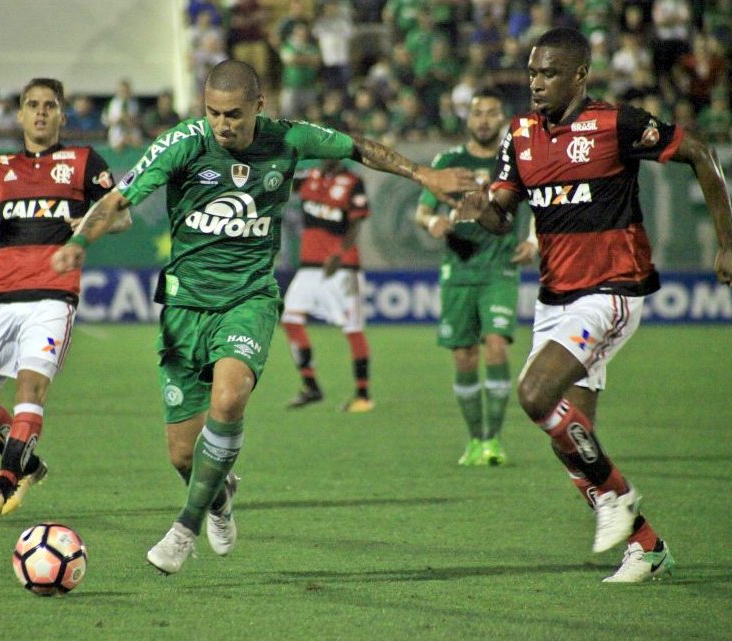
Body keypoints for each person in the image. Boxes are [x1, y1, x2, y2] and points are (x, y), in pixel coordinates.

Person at [51, 60, 477, 575]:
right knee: (184, 457)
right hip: (185, 308)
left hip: (249, 297)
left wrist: (422, 173)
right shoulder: (183, 143)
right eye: (212, 113)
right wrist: (79, 242)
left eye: (233, 114)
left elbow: (358, 146)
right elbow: (119, 197)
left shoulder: (288, 139)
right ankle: (219, 498)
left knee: (229, 400)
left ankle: (183, 530)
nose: (222, 124)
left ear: (259, 106)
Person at [456, 28, 732, 583]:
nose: (535, 83)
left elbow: (698, 152)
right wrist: (480, 209)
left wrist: (729, 239)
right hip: (555, 299)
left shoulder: (615, 124)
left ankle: (618, 496)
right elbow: (501, 212)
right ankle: (648, 546)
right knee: (570, 438)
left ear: (579, 76)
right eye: (531, 72)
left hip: (612, 290)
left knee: (535, 394)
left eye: (548, 73)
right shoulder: (519, 135)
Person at [0, 78, 129, 525]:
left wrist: (90, 221)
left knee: (31, 388)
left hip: (53, 296)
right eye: (32, 105)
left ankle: (6, 483)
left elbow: (122, 215)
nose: (40, 113)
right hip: (1, 297)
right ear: (19, 115)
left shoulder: (84, 161)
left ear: (62, 115)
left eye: (49, 106)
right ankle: (30, 462)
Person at [415, 88, 537, 467]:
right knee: (465, 357)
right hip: (459, 270)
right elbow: (422, 211)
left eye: (490, 113)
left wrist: (533, 240)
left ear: (501, 118)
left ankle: (494, 439)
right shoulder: (449, 161)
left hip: (499, 268)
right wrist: (433, 220)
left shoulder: (515, 159)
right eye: (477, 113)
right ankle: (474, 439)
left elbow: (540, 203)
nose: (483, 119)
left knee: (497, 344)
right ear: (468, 118)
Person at [282, 158, 375, 413]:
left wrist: (341, 253)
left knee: (353, 328)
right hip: (309, 266)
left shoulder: (353, 182)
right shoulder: (308, 176)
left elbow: (356, 223)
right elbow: (278, 180)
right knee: (290, 319)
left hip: (342, 268)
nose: (326, 153)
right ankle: (311, 385)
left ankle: (363, 395)